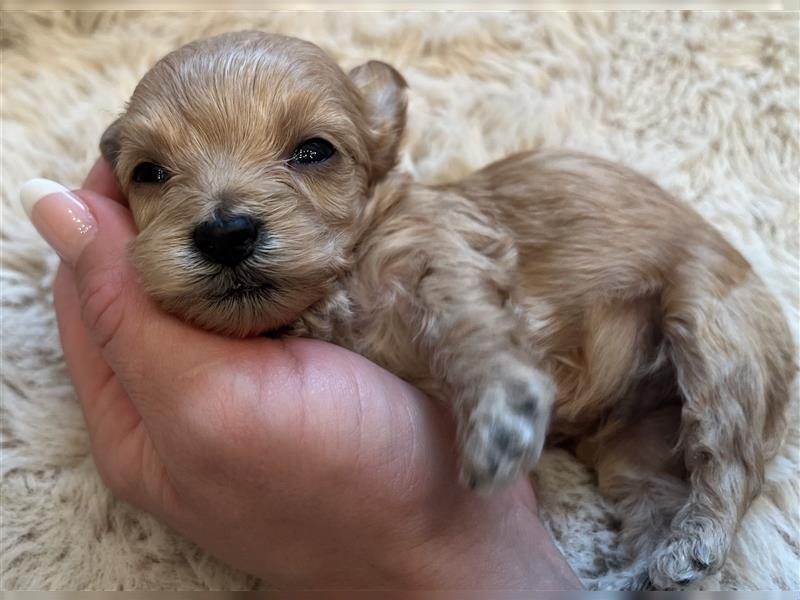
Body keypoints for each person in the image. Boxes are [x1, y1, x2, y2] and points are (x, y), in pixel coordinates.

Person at [20, 157, 582, 590]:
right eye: (155, 172)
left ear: (380, 148)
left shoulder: (405, 242)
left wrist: (432, 550)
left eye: (310, 152)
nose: (225, 223)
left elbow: (449, 285)